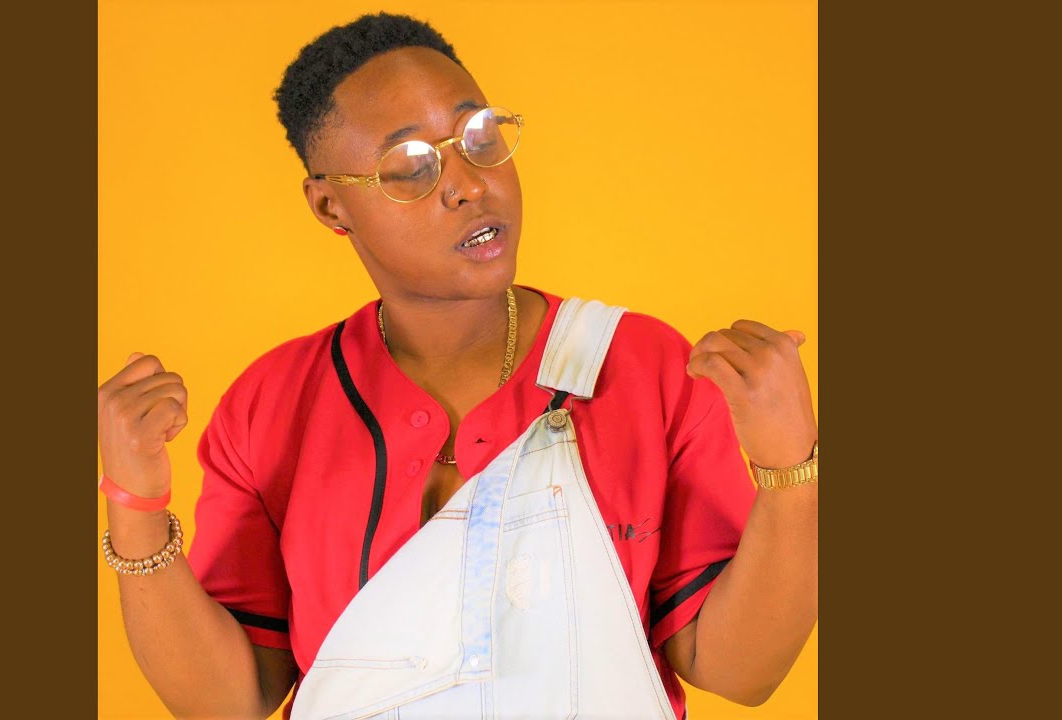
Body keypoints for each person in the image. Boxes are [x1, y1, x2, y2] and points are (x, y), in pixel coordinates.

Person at [96, 12, 817, 720]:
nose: (469, 184)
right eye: (410, 166)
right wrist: (136, 507)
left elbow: (739, 671)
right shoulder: (271, 406)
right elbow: (227, 701)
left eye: (479, 136)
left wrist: (791, 471)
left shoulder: (643, 369)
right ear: (331, 206)